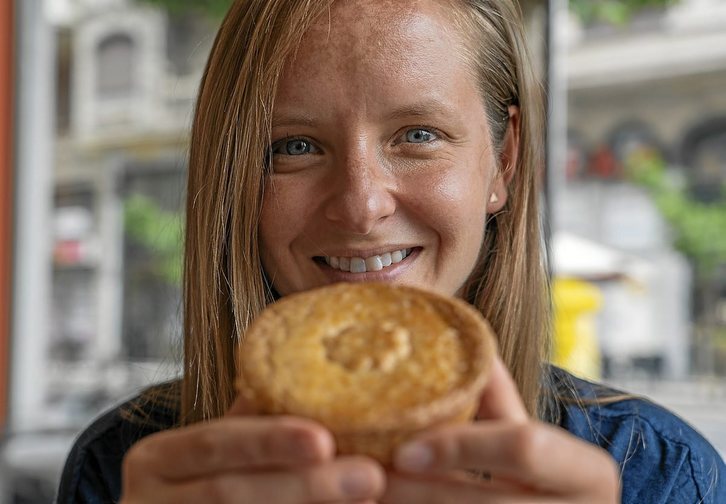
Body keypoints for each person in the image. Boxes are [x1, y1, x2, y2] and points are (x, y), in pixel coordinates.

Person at [56, 0, 726, 502]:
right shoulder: (130, 470)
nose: (361, 203)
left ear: (504, 160)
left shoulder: (660, 474)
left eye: (418, 135)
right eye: (295, 146)